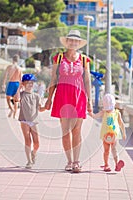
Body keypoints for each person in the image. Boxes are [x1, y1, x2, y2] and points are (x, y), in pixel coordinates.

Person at [44, 30, 93, 173]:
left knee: (77, 130)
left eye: (76, 41)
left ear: (79, 43)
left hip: (79, 96)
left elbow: (87, 80)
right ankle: (69, 161)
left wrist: (90, 101)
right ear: (67, 42)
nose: (73, 43)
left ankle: (77, 162)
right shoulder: (58, 58)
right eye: (71, 40)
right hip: (63, 95)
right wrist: (49, 99)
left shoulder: (84, 59)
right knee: (65, 132)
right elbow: (53, 78)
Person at [89, 94, 126, 172]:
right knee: (106, 151)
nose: (108, 109)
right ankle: (106, 165)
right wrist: (91, 113)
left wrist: (124, 133)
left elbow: (121, 123)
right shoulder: (104, 112)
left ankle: (117, 164)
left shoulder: (117, 113)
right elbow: (95, 116)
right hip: (105, 135)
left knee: (114, 149)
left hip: (114, 134)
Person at [19, 74, 46, 169]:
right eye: (28, 82)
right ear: (23, 83)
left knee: (37, 143)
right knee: (27, 140)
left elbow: (40, 109)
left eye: (32, 82)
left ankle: (33, 153)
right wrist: (19, 86)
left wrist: (46, 107)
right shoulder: (21, 95)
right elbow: (15, 98)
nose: (30, 84)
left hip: (34, 121)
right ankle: (29, 161)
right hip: (24, 120)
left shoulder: (36, 96)